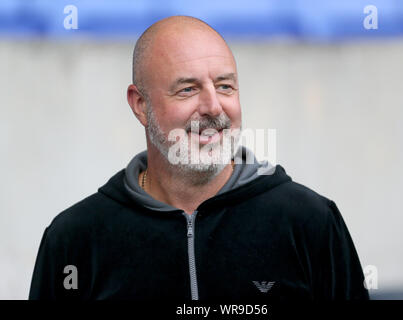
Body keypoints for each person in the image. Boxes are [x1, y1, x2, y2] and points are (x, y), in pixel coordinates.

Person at [29, 15, 369, 301]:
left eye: (225, 86)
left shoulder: (310, 222)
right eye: (187, 89)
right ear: (140, 105)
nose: (213, 107)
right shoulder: (74, 239)